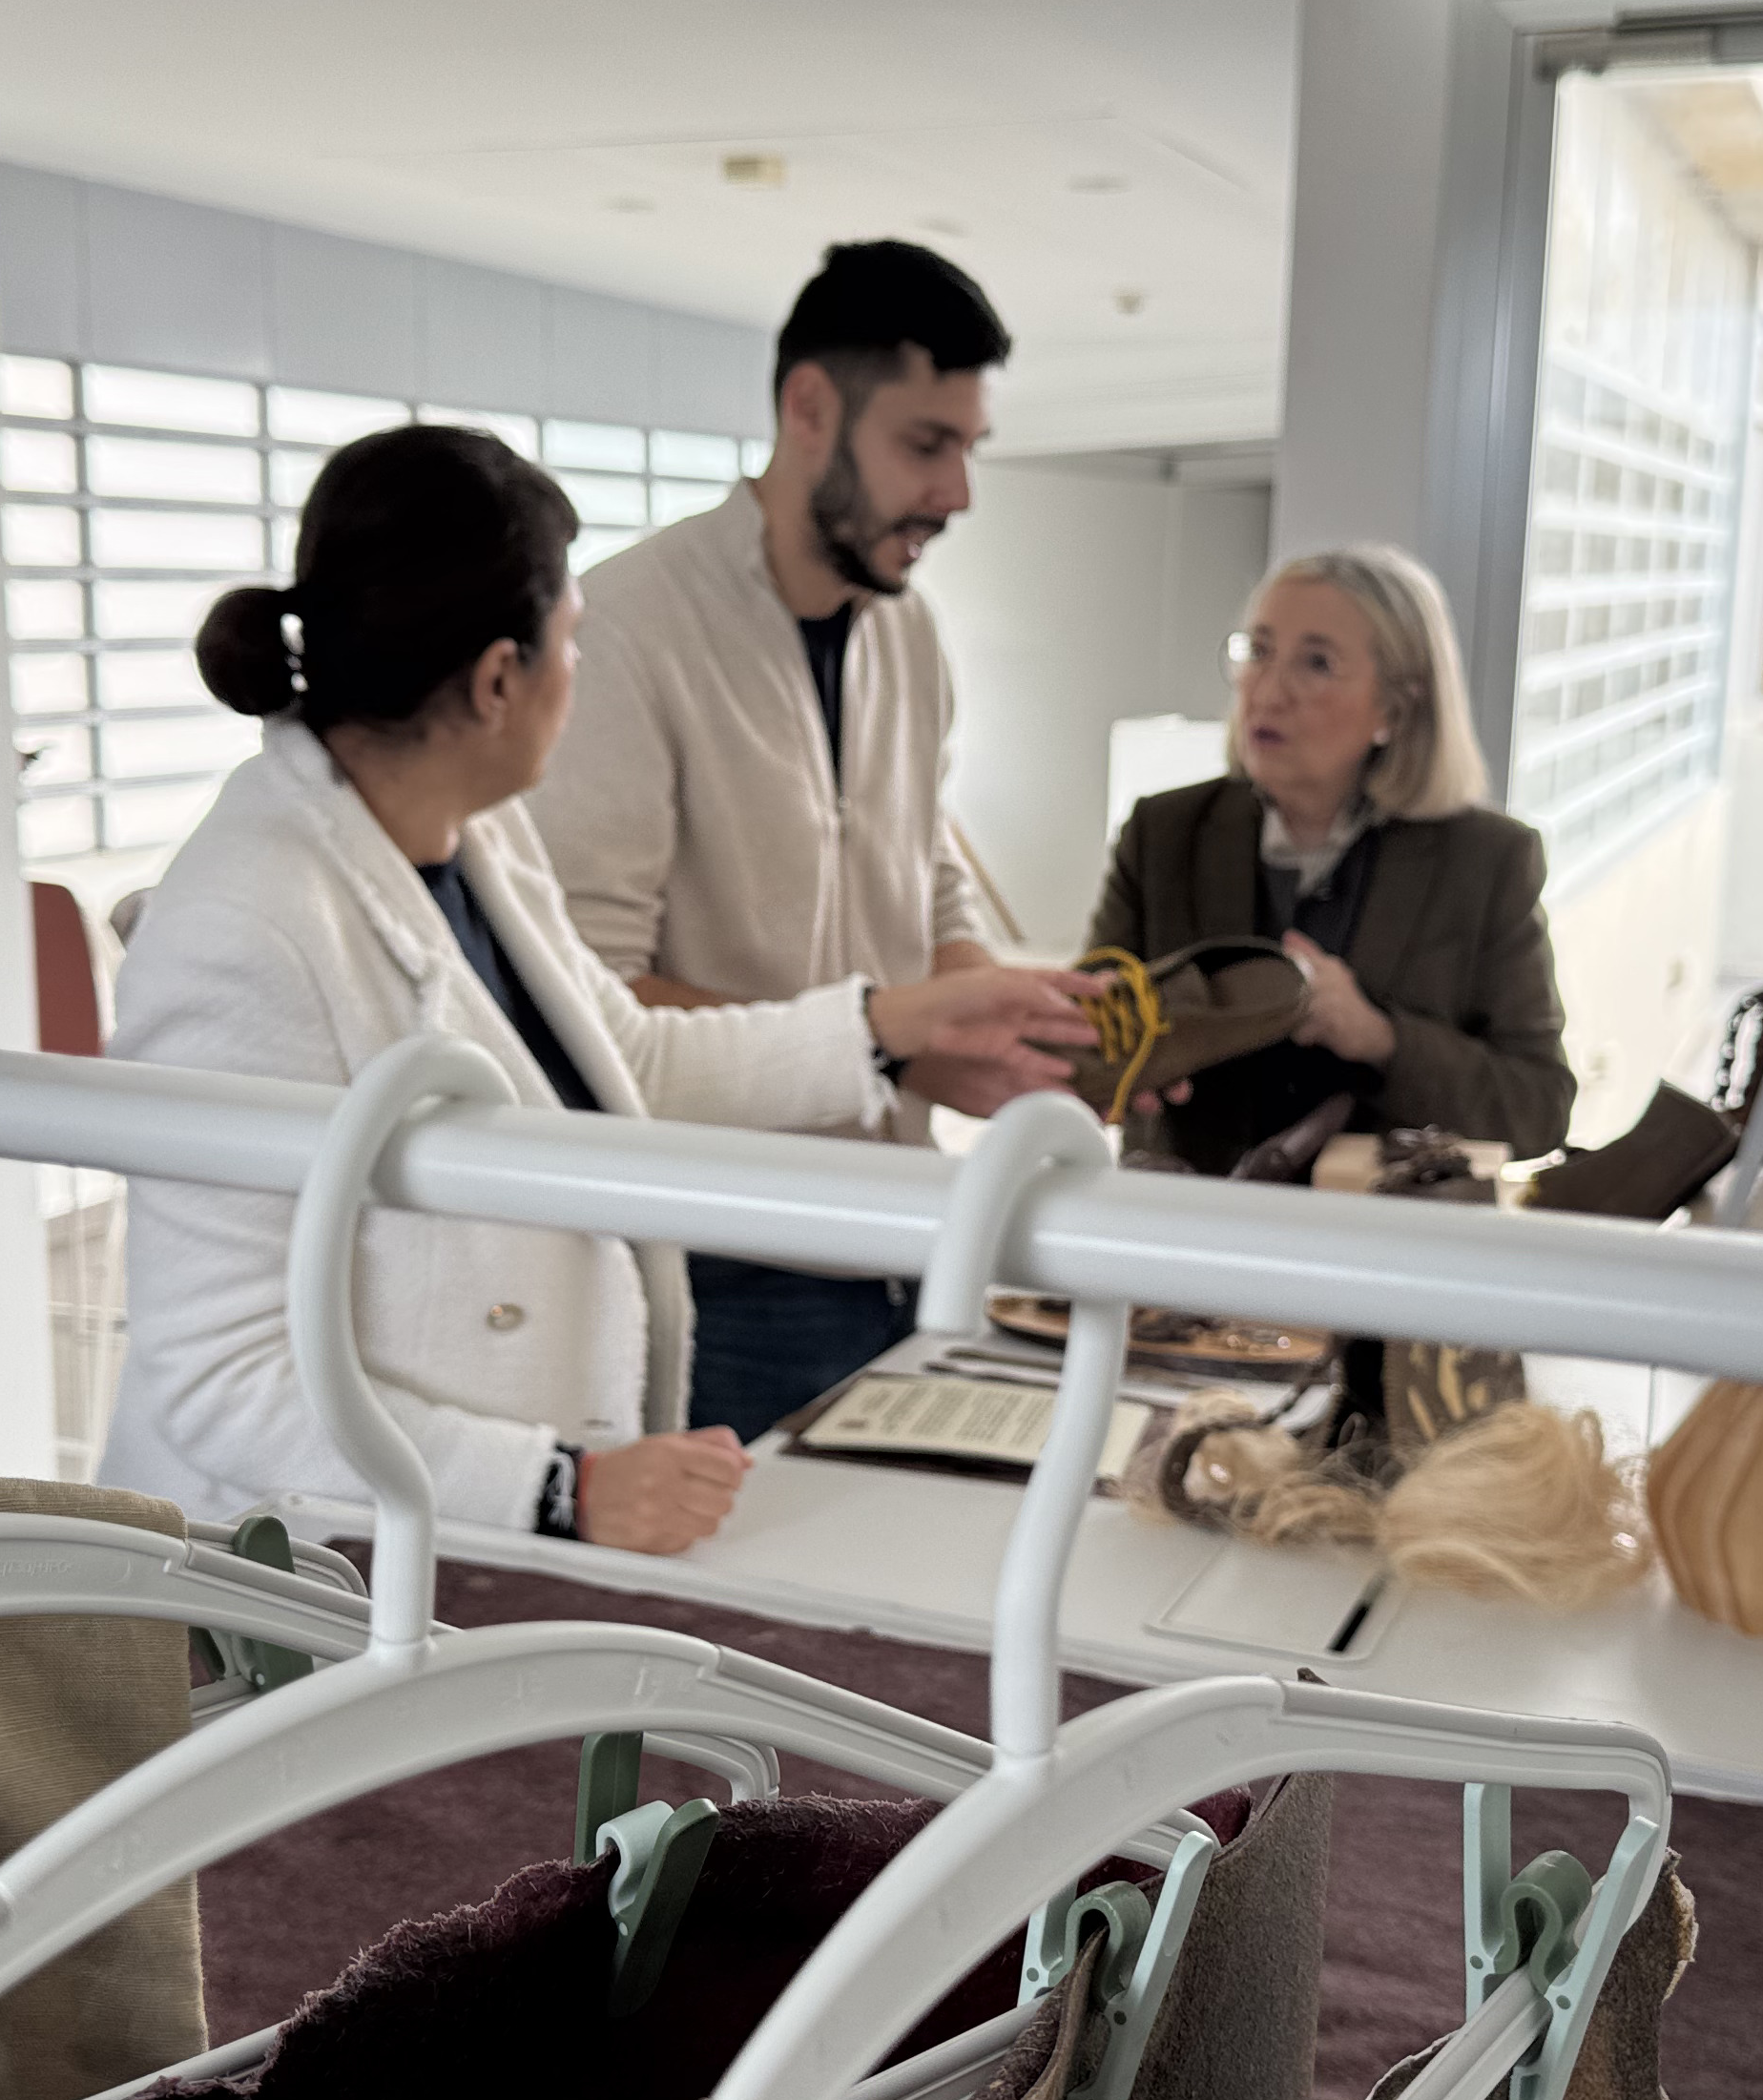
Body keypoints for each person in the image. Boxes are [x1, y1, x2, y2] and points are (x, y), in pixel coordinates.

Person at [99, 425, 1098, 1557]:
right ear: (497, 681)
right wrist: (553, 1488)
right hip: (309, 1574)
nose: (577, 676)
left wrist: (886, 1025)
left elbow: (632, 1061)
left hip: (464, 1552)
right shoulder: (244, 926)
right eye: (571, 644)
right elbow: (219, 1373)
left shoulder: (475, 836)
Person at [529, 239, 1018, 1442]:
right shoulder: (628, 630)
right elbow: (590, 1001)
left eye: (969, 447)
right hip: (721, 1270)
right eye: (926, 444)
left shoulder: (911, 632)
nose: (957, 493)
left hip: (908, 1237)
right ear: (810, 410)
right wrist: (894, 1044)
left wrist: (1002, 1021)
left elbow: (931, 885)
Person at [1089, 545, 1575, 1176]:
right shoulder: (1163, 834)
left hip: (1377, 1228)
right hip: (1184, 1217)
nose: (1268, 691)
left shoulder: (1488, 862)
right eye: (1259, 651)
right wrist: (1129, 1052)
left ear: (1395, 708)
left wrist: (1381, 1037)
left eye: (1316, 663)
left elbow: (1539, 1109)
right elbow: (1084, 1039)